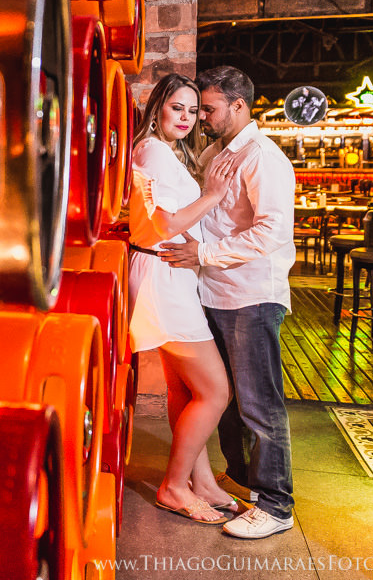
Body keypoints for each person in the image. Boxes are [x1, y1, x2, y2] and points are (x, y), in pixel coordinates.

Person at [159, 65, 297, 540]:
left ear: (239, 105)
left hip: (252, 295)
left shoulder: (263, 157)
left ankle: (277, 504)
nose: (201, 118)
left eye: (209, 109)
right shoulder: (217, 152)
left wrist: (205, 254)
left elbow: (273, 230)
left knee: (260, 404)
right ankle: (244, 485)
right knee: (233, 402)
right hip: (215, 291)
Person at [127, 73, 240, 524]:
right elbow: (164, 224)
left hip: (169, 272)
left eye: (194, 111)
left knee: (184, 388)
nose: (187, 118)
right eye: (178, 107)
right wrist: (213, 194)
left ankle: (202, 482)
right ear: (158, 108)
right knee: (215, 391)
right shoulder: (152, 151)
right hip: (162, 275)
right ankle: (174, 487)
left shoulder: (168, 153)